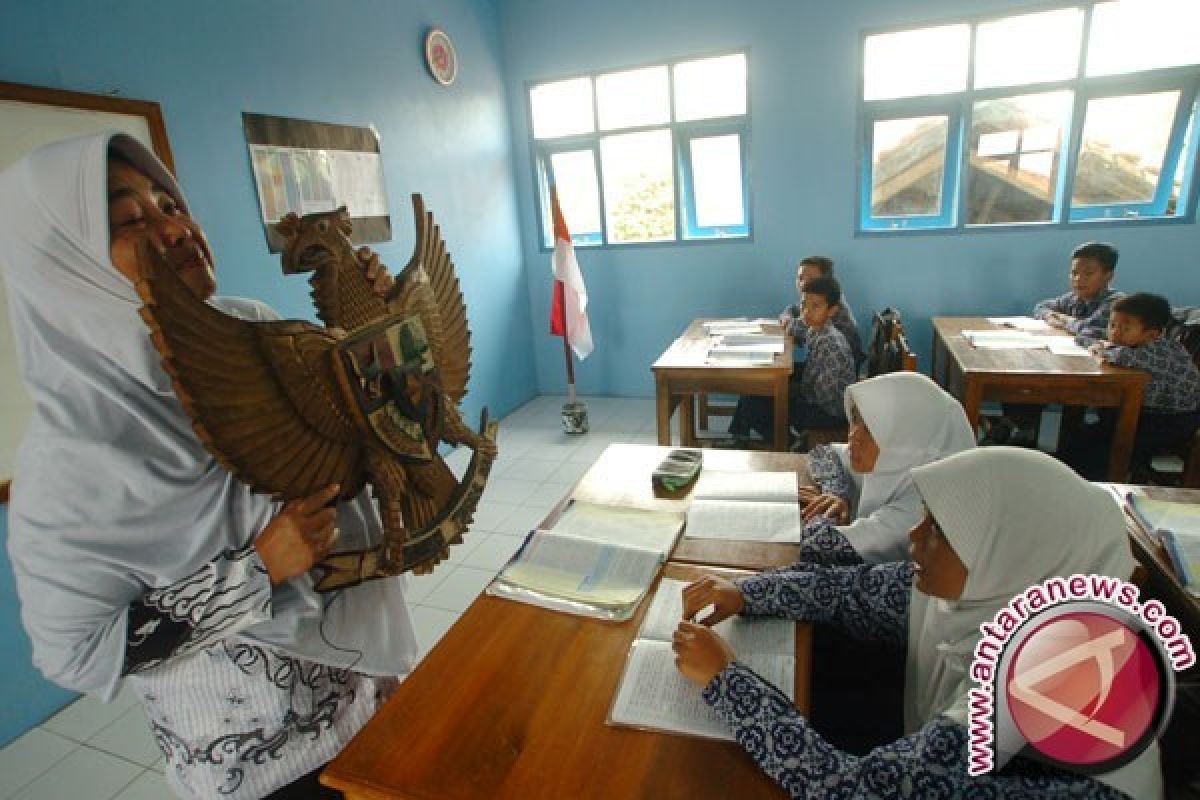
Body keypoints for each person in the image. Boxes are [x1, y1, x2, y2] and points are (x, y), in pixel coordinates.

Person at [0, 132, 418, 799]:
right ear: (66, 264)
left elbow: (358, 433)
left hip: (370, 693)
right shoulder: (68, 466)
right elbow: (78, 652)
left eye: (171, 204)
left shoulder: (248, 330)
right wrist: (256, 572)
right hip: (265, 770)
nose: (175, 228)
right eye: (131, 221)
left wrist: (381, 330)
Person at [673, 447, 1162, 799]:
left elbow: (850, 789)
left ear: (1007, 552)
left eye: (940, 530)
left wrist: (725, 680)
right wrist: (744, 592)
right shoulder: (998, 592)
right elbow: (847, 592)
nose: (914, 533)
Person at [795, 371, 975, 564]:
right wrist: (837, 494)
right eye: (855, 419)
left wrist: (826, 514)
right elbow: (824, 454)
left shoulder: (921, 511)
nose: (854, 436)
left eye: (872, 429)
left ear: (908, 441)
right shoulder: (894, 461)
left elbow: (819, 547)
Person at [991, 242, 1125, 446]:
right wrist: (1059, 318)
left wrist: (1065, 321)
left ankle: (1017, 428)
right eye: (1074, 273)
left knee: (1037, 385)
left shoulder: (1116, 303)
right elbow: (1041, 308)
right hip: (1068, 362)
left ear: (1108, 276)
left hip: (1104, 373)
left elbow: (1090, 331)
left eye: (1088, 273)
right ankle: (1021, 429)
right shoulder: (1074, 299)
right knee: (1021, 375)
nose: (1078, 279)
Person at [1062, 292, 1200, 480]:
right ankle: (1066, 471)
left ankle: (1102, 482)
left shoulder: (1161, 351)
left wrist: (1099, 348)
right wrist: (1097, 344)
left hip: (1173, 420)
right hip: (1147, 411)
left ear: (1152, 334)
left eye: (1125, 328)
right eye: (1112, 325)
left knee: (1106, 449)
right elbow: (1091, 337)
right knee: (1081, 439)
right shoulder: (1136, 342)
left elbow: (1121, 355)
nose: (1115, 332)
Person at [729, 276, 856, 445]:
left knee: (755, 406)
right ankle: (740, 437)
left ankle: (788, 443)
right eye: (804, 304)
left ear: (832, 310)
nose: (806, 311)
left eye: (815, 306)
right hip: (815, 395)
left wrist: (789, 392)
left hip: (830, 412)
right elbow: (795, 326)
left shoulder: (830, 343)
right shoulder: (816, 328)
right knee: (755, 385)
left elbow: (824, 396)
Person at [779, 255, 863, 365]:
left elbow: (800, 329)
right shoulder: (815, 298)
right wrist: (787, 318)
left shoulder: (832, 306)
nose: (803, 283)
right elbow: (792, 309)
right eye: (800, 278)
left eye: (811, 279)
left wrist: (788, 322)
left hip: (834, 369)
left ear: (826, 281)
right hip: (818, 365)